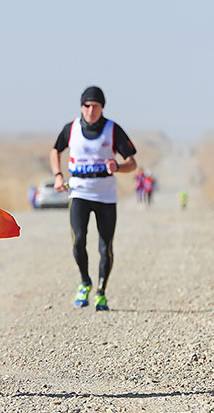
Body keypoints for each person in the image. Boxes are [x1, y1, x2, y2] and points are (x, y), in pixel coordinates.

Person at [49, 86, 137, 311]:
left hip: (105, 195)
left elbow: (132, 163)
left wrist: (118, 166)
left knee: (105, 247)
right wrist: (58, 175)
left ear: (102, 107)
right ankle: (85, 282)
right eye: (86, 106)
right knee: (78, 240)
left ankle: (101, 292)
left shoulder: (112, 129)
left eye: (95, 106)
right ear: (81, 107)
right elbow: (55, 150)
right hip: (79, 192)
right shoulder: (71, 128)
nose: (90, 110)